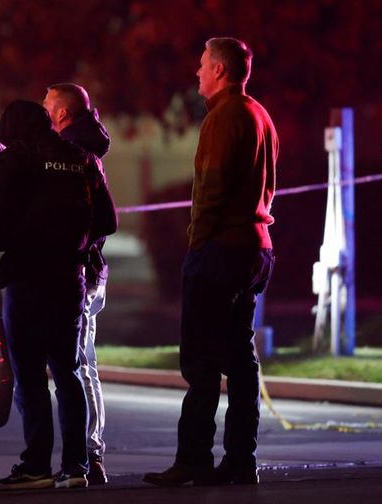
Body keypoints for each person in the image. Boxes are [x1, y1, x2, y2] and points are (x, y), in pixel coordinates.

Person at [143, 37, 278, 487]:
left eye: (202, 65)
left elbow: (211, 189)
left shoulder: (223, 118)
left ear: (219, 70)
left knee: (200, 362)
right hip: (257, 247)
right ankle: (242, 459)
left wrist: (196, 245)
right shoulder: (260, 116)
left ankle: (194, 457)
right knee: (240, 358)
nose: (196, 72)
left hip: (221, 249)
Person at [0, 100, 117, 490]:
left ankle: (36, 465)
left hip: (26, 276)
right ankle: (76, 467)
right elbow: (108, 220)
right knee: (68, 370)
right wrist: (74, 246)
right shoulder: (83, 159)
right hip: (70, 276)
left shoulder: (17, 159)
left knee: (29, 375)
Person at [43, 82, 111, 485]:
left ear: (63, 114)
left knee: (80, 365)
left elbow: (104, 221)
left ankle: (89, 453)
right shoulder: (81, 151)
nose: (43, 111)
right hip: (84, 269)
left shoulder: (77, 156)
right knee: (80, 365)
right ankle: (87, 451)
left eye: (47, 105)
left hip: (81, 273)